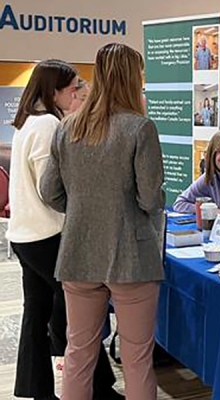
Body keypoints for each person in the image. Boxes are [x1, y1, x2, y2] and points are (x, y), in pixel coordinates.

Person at [40, 43, 165, 399]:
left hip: (79, 252)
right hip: (131, 258)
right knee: (138, 358)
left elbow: (50, 192)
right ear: (131, 78)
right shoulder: (140, 128)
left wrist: (83, 208)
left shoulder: (68, 128)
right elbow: (150, 200)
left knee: (78, 354)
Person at [7, 59, 122, 400]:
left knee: (37, 313)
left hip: (26, 235)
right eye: (73, 90)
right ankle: (100, 388)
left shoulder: (27, 123)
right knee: (80, 312)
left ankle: (36, 389)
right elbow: (51, 189)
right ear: (53, 91)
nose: (78, 96)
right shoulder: (46, 127)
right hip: (47, 236)